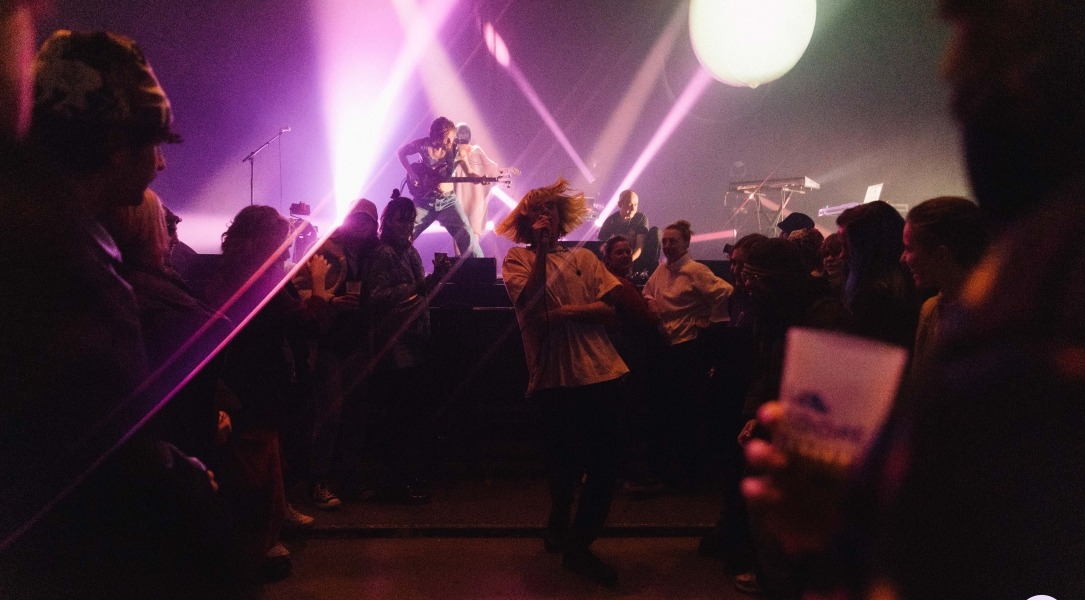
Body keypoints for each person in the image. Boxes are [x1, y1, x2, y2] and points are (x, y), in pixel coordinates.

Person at [742, 1, 1085, 598]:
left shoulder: (1020, 340)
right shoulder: (992, 308)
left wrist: (857, 526)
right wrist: (853, 512)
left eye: (977, 84)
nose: (963, 106)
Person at [1, 28, 234, 598]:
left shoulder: (35, 232)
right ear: (112, 144)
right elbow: (101, 451)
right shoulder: (68, 262)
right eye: (151, 144)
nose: (158, 163)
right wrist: (181, 477)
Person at [497, 178, 628, 588]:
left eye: (551, 210)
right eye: (538, 211)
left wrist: (565, 313)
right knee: (562, 466)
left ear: (561, 218)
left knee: (605, 468)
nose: (546, 216)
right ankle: (559, 516)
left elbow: (610, 312)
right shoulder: (517, 260)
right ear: (526, 222)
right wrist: (538, 254)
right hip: (552, 379)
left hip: (602, 373)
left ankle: (579, 546)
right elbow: (532, 307)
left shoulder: (586, 260)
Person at [292, 198, 382, 509]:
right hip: (329, 341)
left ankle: (348, 480)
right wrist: (330, 302)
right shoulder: (325, 250)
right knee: (328, 414)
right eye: (357, 219)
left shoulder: (373, 255)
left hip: (358, 341)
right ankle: (318, 482)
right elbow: (297, 289)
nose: (362, 226)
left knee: (355, 415)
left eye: (367, 221)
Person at [365, 190, 451, 505]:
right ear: (388, 221)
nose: (406, 225)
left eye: (410, 219)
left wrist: (437, 277)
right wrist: (418, 286)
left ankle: (405, 479)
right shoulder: (385, 253)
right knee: (400, 415)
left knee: (409, 414)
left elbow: (419, 294)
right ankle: (397, 482)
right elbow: (377, 297)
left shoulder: (410, 253)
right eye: (401, 219)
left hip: (414, 339)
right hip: (396, 342)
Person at [641, 220, 733, 486]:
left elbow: (726, 292)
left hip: (688, 350)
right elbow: (647, 292)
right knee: (670, 412)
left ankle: (690, 474)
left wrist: (708, 319)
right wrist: (650, 304)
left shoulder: (695, 270)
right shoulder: (661, 269)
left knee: (686, 412)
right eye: (665, 242)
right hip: (667, 349)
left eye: (673, 241)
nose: (667, 246)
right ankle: (675, 472)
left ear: (686, 244)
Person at [900, 196, 988, 372]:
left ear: (941, 255)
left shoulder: (995, 316)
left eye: (909, 249)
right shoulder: (930, 310)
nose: (902, 258)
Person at [397, 116, 483, 257]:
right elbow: (401, 152)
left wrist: (480, 178)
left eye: (452, 138)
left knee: (467, 236)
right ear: (436, 137)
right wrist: (411, 173)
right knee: (404, 234)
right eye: (447, 139)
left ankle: (481, 272)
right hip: (423, 202)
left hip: (448, 202)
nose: (450, 142)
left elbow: (470, 173)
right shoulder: (421, 145)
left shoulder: (457, 151)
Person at [452, 121, 513, 243]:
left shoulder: (476, 150)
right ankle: (460, 260)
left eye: (465, 133)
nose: (463, 136)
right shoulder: (453, 153)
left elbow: (491, 168)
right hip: (459, 194)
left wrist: (504, 171)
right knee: (459, 229)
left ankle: (474, 260)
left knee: (473, 229)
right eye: (461, 133)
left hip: (476, 195)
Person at [598, 189, 655, 278]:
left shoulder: (641, 218)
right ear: (620, 204)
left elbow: (640, 246)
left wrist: (628, 261)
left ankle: (651, 271)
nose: (633, 209)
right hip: (615, 262)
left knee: (656, 232)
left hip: (636, 260)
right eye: (629, 205)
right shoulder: (610, 221)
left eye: (636, 204)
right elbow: (601, 245)